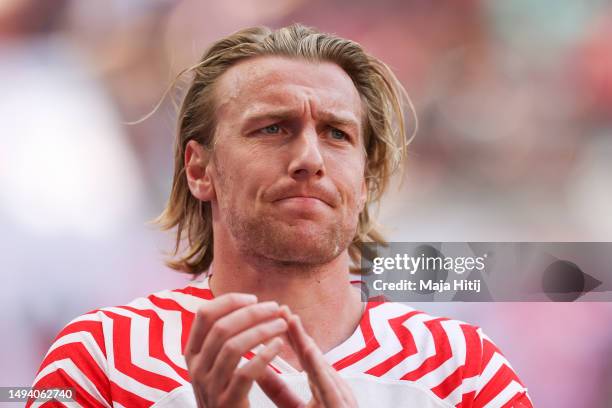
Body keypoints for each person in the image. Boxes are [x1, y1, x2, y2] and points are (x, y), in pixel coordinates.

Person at [28, 24, 533, 407]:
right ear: (199, 169)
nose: (310, 158)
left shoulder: (463, 367)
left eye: (337, 133)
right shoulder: (97, 357)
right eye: (272, 128)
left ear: (366, 181)